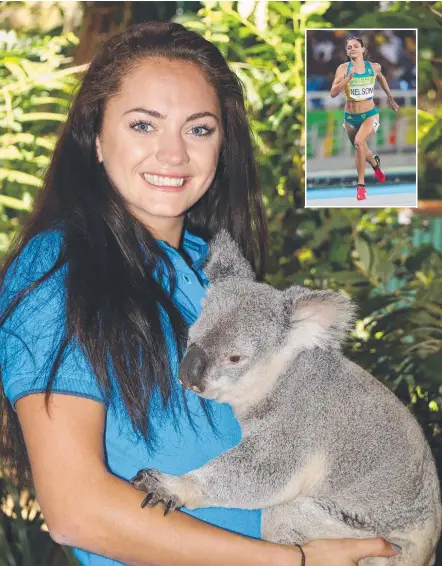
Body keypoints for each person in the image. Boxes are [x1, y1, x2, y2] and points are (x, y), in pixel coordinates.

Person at [0, 21, 400, 566]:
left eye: (199, 129)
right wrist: (294, 561)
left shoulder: (211, 272)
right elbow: (76, 508)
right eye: (144, 125)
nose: (173, 154)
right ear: (94, 137)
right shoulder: (60, 268)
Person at [330, 36, 399, 201]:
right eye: (349, 47)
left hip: (370, 114)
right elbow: (333, 93)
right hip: (350, 118)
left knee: (360, 143)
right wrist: (348, 79)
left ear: (362, 50)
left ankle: (361, 186)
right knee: (360, 147)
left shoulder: (374, 67)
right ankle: (375, 164)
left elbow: (381, 78)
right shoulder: (343, 69)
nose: (352, 49)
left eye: (355, 46)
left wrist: (390, 98)